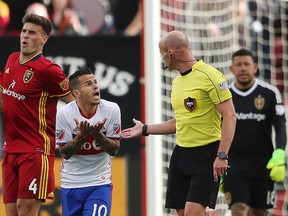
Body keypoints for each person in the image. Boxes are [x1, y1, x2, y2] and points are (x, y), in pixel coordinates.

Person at [122, 30, 236, 216]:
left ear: (171, 53)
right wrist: (144, 129)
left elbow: (230, 115)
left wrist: (222, 155)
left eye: (162, 54)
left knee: (192, 213)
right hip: (181, 153)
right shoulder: (177, 83)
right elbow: (180, 122)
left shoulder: (211, 76)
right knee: (182, 213)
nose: (162, 59)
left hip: (207, 153)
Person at [0, 13, 74, 215]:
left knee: (26, 210)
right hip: (11, 150)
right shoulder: (12, 60)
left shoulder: (48, 70)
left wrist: (69, 136)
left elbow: (73, 104)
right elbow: (2, 99)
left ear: (44, 39)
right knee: (11, 212)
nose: (25, 36)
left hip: (35, 151)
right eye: (24, 31)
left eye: (32, 33)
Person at [223, 48, 287, 215]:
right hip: (234, 164)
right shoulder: (225, 96)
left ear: (255, 67)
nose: (243, 68)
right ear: (232, 69)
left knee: (258, 212)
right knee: (238, 209)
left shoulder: (270, 93)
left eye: (246, 64)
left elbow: (280, 125)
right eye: (238, 64)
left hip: (263, 164)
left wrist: (280, 152)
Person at [55, 67, 121, 216]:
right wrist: (81, 137)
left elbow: (114, 150)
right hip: (71, 184)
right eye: (89, 84)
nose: (96, 86)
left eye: (96, 82)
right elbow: (65, 153)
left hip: (100, 183)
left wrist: (98, 135)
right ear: (76, 93)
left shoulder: (111, 109)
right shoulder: (64, 114)